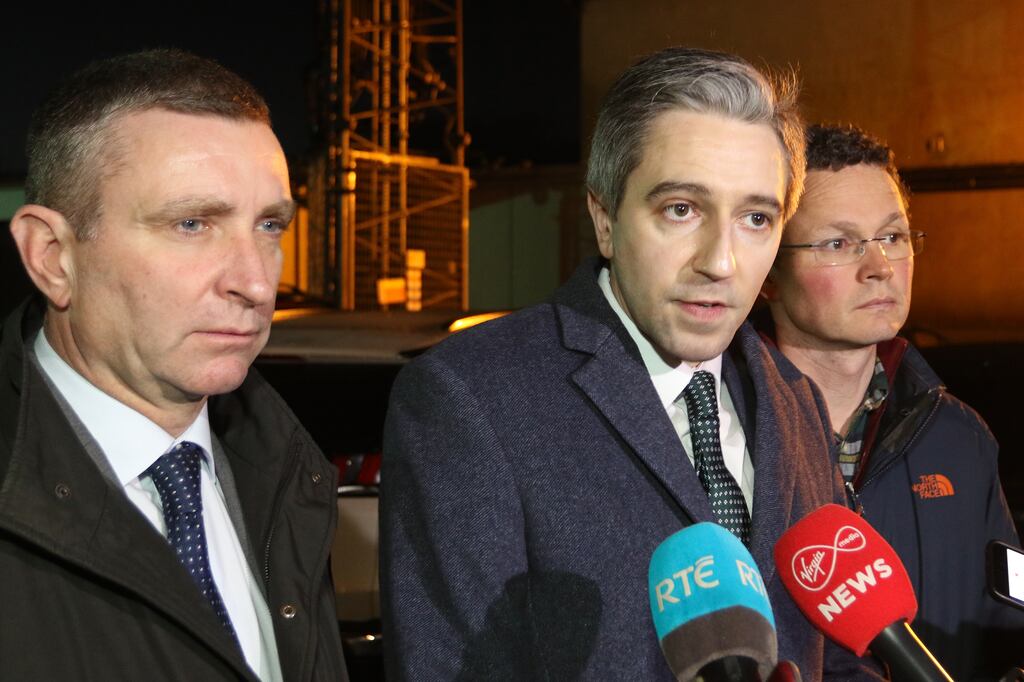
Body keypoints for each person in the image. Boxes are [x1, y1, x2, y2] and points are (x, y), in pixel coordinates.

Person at [381, 48, 873, 681]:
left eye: (755, 218)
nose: (720, 262)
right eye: (681, 209)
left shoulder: (792, 397)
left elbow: (835, 653)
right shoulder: (470, 396)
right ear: (605, 218)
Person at [0, 50, 347, 681]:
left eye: (269, 226)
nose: (257, 284)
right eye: (192, 223)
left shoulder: (290, 477)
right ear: (52, 256)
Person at [761, 123, 1024, 680]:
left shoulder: (961, 440)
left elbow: (1008, 624)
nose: (879, 266)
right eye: (839, 243)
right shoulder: (717, 439)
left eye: (894, 237)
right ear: (768, 273)